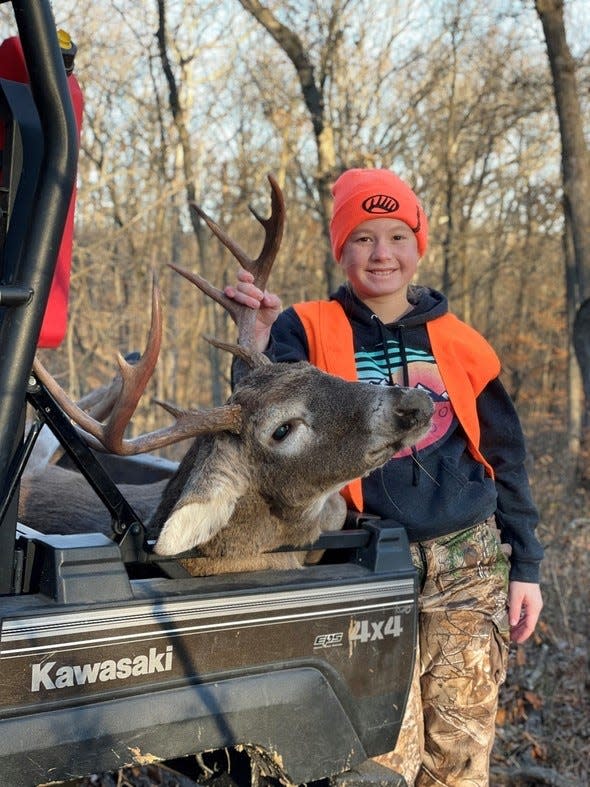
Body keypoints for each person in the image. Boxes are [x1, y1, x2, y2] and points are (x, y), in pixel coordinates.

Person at [224, 168, 544, 787]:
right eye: (363, 237)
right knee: (378, 759)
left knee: (459, 752)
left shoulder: (461, 342)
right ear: (341, 248)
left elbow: (507, 455)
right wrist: (261, 343)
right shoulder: (308, 327)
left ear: (418, 244)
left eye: (397, 236)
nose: (382, 254)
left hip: (468, 566)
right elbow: (265, 425)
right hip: (367, 565)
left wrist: (525, 566)